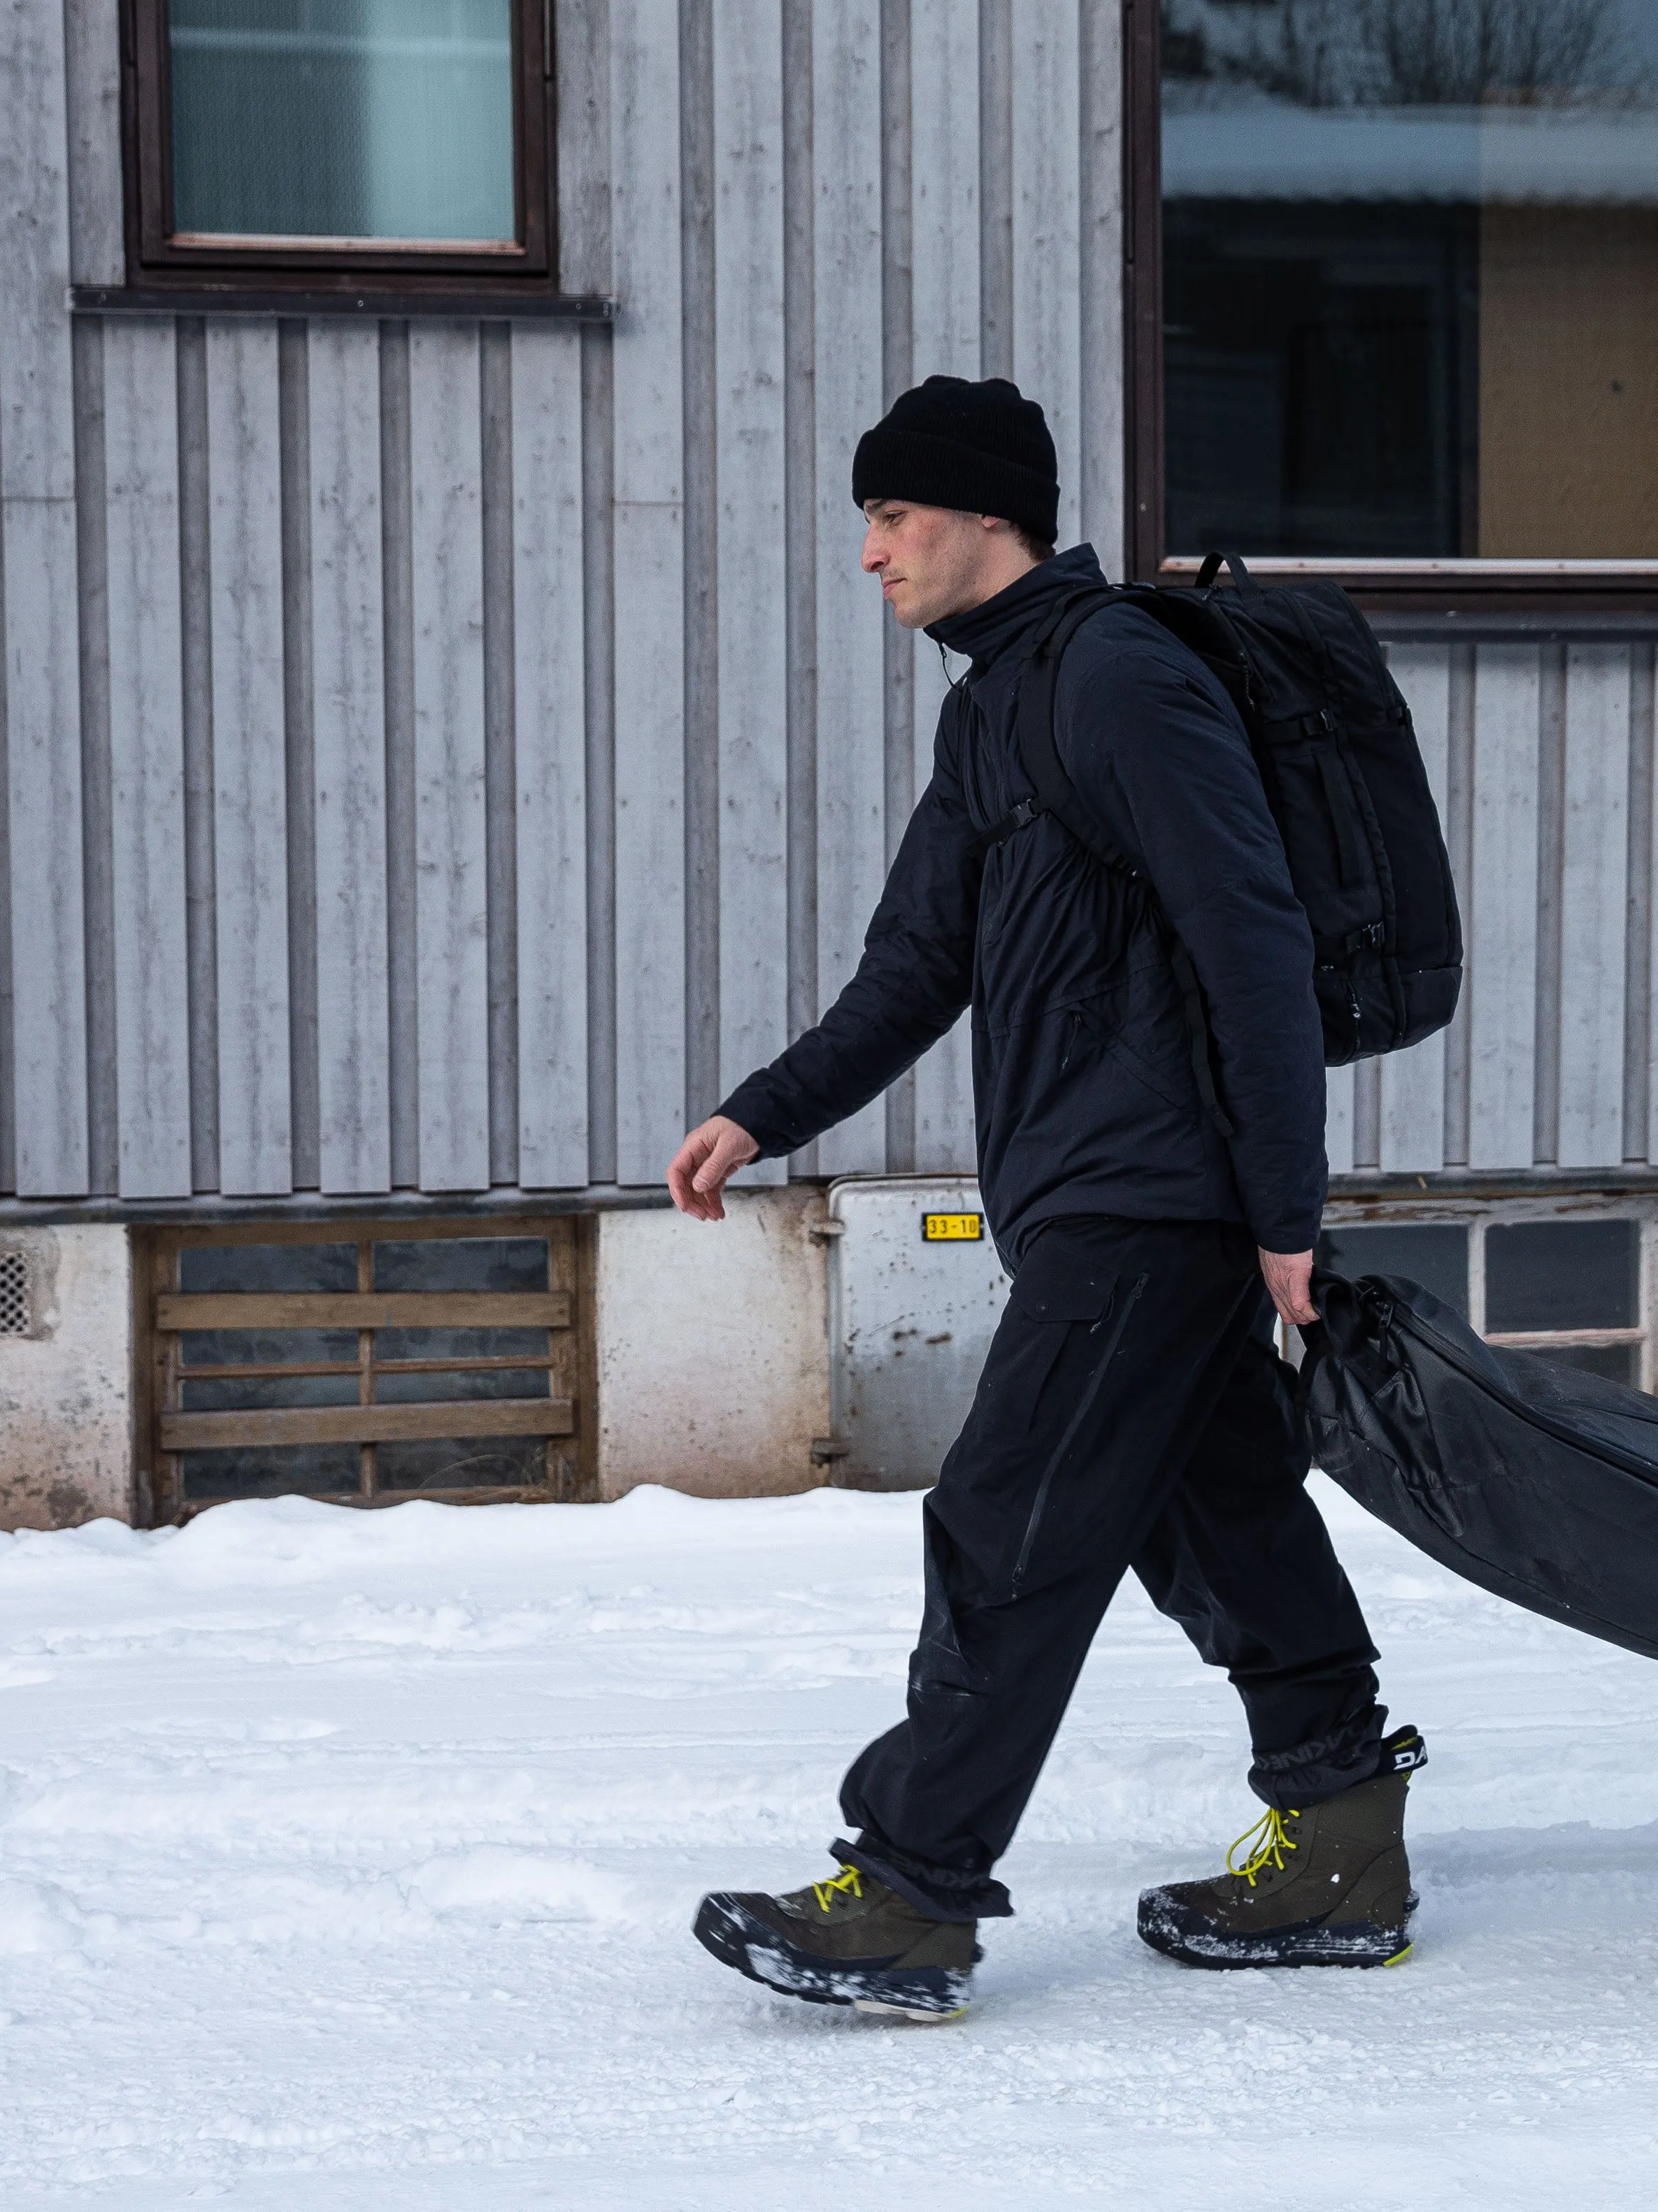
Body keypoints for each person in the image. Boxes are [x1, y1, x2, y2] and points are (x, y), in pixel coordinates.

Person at [668, 376, 1422, 2023]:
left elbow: (1254, 937)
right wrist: (761, 1112)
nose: (869, 553)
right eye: (867, 518)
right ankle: (1345, 1832)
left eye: (893, 516)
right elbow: (914, 966)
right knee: (1211, 1505)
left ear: (985, 515)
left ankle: (915, 1887)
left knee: (1009, 1524)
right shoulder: (994, 706)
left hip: (1152, 1197)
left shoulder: (1120, 677)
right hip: (1103, 1191)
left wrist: (1285, 1211)